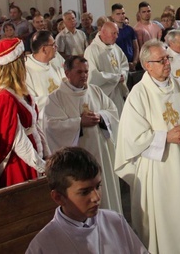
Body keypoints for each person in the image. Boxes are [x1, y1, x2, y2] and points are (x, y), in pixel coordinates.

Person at [115, 40, 180, 254]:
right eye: (160, 60)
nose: (166, 63)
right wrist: (165, 137)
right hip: (157, 167)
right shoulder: (139, 94)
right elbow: (132, 137)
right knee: (166, 218)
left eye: (167, 58)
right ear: (147, 65)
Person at [27, 147, 146, 253]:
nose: (96, 197)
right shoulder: (43, 245)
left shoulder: (115, 221)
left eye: (98, 186)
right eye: (84, 192)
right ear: (58, 197)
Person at [43, 56, 122, 213]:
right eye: (79, 71)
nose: (84, 75)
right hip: (77, 162)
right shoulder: (56, 98)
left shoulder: (95, 91)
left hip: (101, 153)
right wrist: (78, 123)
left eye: (86, 71)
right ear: (67, 73)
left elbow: (112, 111)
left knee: (105, 194)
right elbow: (51, 127)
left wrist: (101, 117)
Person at [0, 37, 49, 189]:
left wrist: (47, 153)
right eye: (23, 59)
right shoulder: (3, 96)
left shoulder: (20, 90)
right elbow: (17, 139)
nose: (26, 62)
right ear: (14, 65)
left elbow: (35, 125)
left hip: (34, 154)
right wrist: (40, 165)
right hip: (21, 162)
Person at [85, 21, 130, 115]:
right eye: (113, 33)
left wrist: (123, 75)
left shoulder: (116, 48)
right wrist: (115, 78)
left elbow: (124, 64)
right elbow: (93, 76)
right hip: (103, 95)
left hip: (117, 92)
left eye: (117, 33)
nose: (116, 36)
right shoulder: (91, 50)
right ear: (103, 32)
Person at [23, 31, 64, 114]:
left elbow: (67, 81)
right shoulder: (25, 72)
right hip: (43, 120)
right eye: (53, 44)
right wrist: (57, 98)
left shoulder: (56, 60)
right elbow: (31, 102)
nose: (56, 46)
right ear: (44, 49)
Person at [111, 3, 139, 68]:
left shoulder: (130, 29)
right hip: (117, 64)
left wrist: (134, 62)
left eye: (123, 13)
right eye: (118, 14)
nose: (121, 16)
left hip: (130, 63)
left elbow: (136, 47)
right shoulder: (111, 31)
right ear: (113, 16)